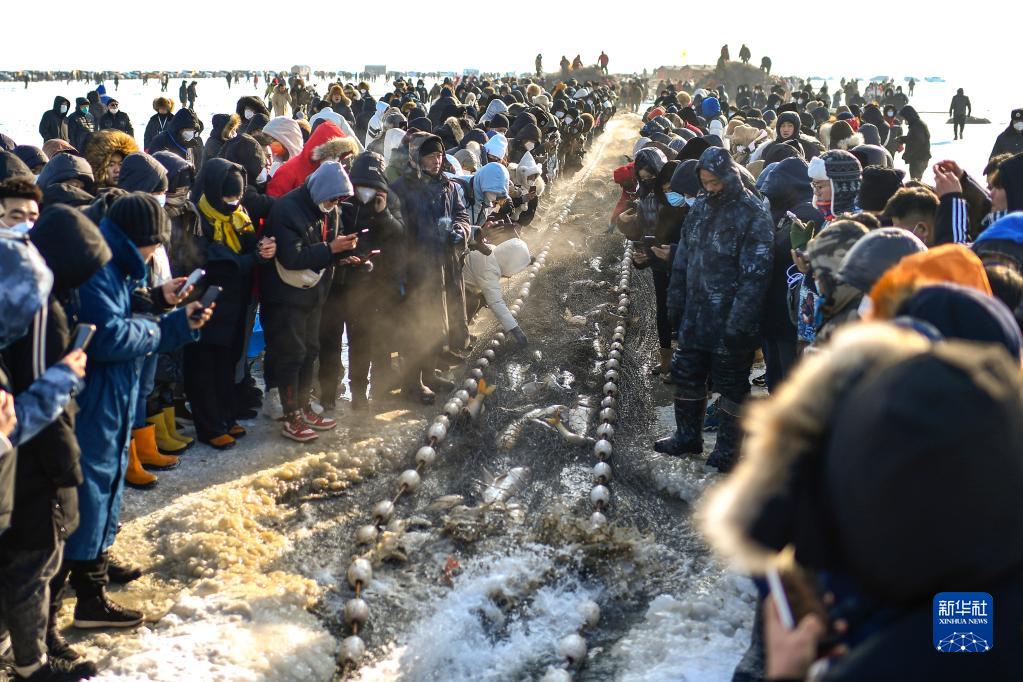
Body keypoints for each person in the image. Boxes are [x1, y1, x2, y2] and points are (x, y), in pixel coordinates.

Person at [58, 193, 211, 634]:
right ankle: (87, 594)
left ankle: (95, 562)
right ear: (137, 238)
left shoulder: (118, 264)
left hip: (115, 391)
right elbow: (107, 336)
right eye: (155, 243)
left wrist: (158, 299)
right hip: (96, 394)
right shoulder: (98, 268)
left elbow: (124, 307)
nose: (156, 251)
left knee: (108, 480)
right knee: (92, 486)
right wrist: (167, 327)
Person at [658, 147, 773, 472]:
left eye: (715, 182)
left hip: (730, 318)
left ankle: (727, 450)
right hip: (696, 315)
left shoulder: (752, 211)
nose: (710, 188)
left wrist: (740, 321)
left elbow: (756, 273)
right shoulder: (701, 208)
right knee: (687, 374)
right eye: (705, 182)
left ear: (729, 176)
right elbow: (683, 257)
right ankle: (687, 436)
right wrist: (675, 299)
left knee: (732, 385)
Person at [261, 162, 356, 441]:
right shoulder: (286, 209)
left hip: (314, 293)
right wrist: (330, 248)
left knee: (310, 350)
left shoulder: (331, 210)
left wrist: (343, 253)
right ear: (321, 191)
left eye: (338, 200)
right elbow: (292, 257)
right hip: (287, 296)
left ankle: (303, 407)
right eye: (332, 199)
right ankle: (290, 415)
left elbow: (330, 245)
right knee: (292, 354)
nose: (334, 205)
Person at [184, 158, 275, 448]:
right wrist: (253, 258)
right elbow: (217, 261)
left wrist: (261, 250)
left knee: (227, 363)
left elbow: (247, 248)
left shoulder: (239, 214)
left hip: (235, 302)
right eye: (228, 197)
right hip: (206, 302)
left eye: (237, 196)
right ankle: (209, 426)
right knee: (204, 367)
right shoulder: (197, 217)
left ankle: (226, 416)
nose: (233, 202)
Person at [318, 152, 405, 412]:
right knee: (330, 341)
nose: (365, 192)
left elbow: (398, 235)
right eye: (360, 186)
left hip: (367, 284)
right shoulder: (340, 196)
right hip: (335, 282)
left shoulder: (390, 200)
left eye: (371, 187)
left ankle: (359, 392)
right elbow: (326, 231)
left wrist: (383, 213)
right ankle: (327, 394)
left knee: (361, 341)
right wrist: (340, 255)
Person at [389, 133, 471, 404]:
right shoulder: (401, 189)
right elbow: (396, 231)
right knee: (417, 326)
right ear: (416, 157)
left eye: (439, 155)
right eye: (430, 156)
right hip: (417, 268)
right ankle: (411, 384)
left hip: (445, 264)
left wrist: (460, 230)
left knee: (438, 322)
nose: (437, 161)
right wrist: (401, 272)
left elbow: (461, 214)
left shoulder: (448, 185)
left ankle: (430, 373)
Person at [897, 105, 930, 180]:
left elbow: (917, 142)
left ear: (909, 116)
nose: (904, 120)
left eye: (905, 118)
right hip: (919, 158)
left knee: (915, 181)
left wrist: (907, 155)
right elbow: (914, 138)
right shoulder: (916, 124)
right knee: (915, 180)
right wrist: (903, 139)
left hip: (919, 158)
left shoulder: (917, 125)